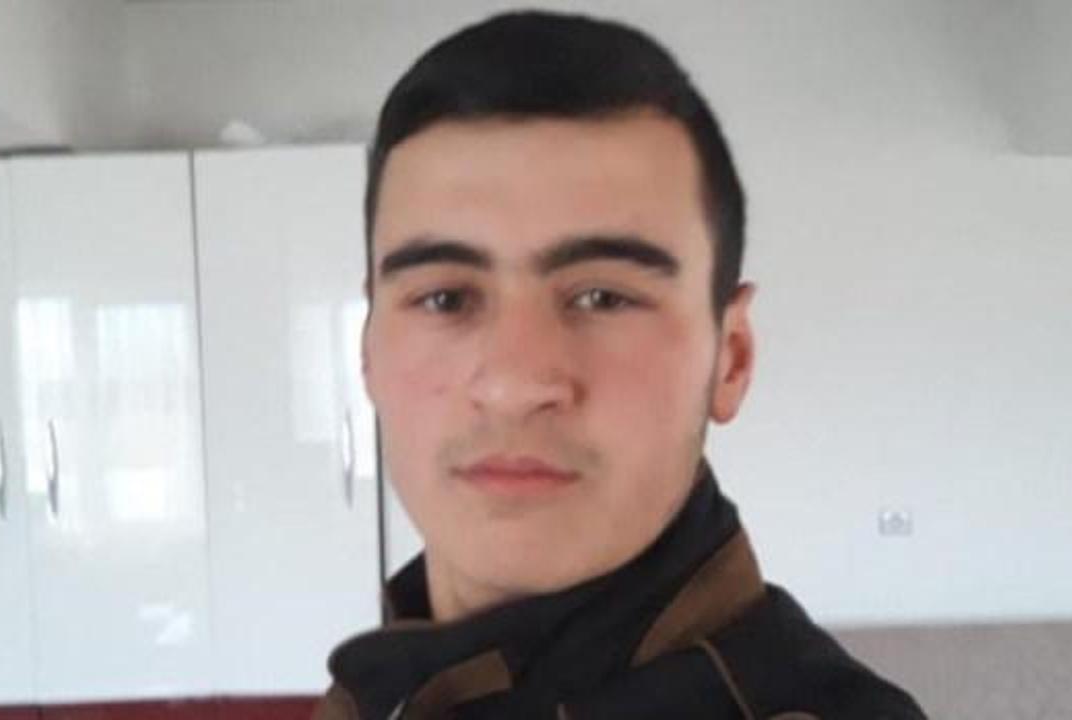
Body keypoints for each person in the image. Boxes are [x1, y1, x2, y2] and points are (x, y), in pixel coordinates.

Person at [317, 9, 927, 720]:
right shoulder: (378, 687)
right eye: (444, 298)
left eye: (603, 297)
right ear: (368, 351)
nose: (513, 385)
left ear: (730, 360)